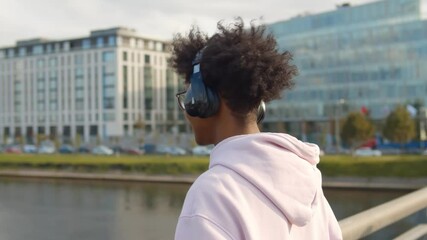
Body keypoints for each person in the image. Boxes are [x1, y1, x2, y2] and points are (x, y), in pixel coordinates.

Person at [171, 18, 342, 240]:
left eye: (189, 95)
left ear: (202, 100)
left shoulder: (212, 192)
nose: (186, 110)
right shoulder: (307, 180)